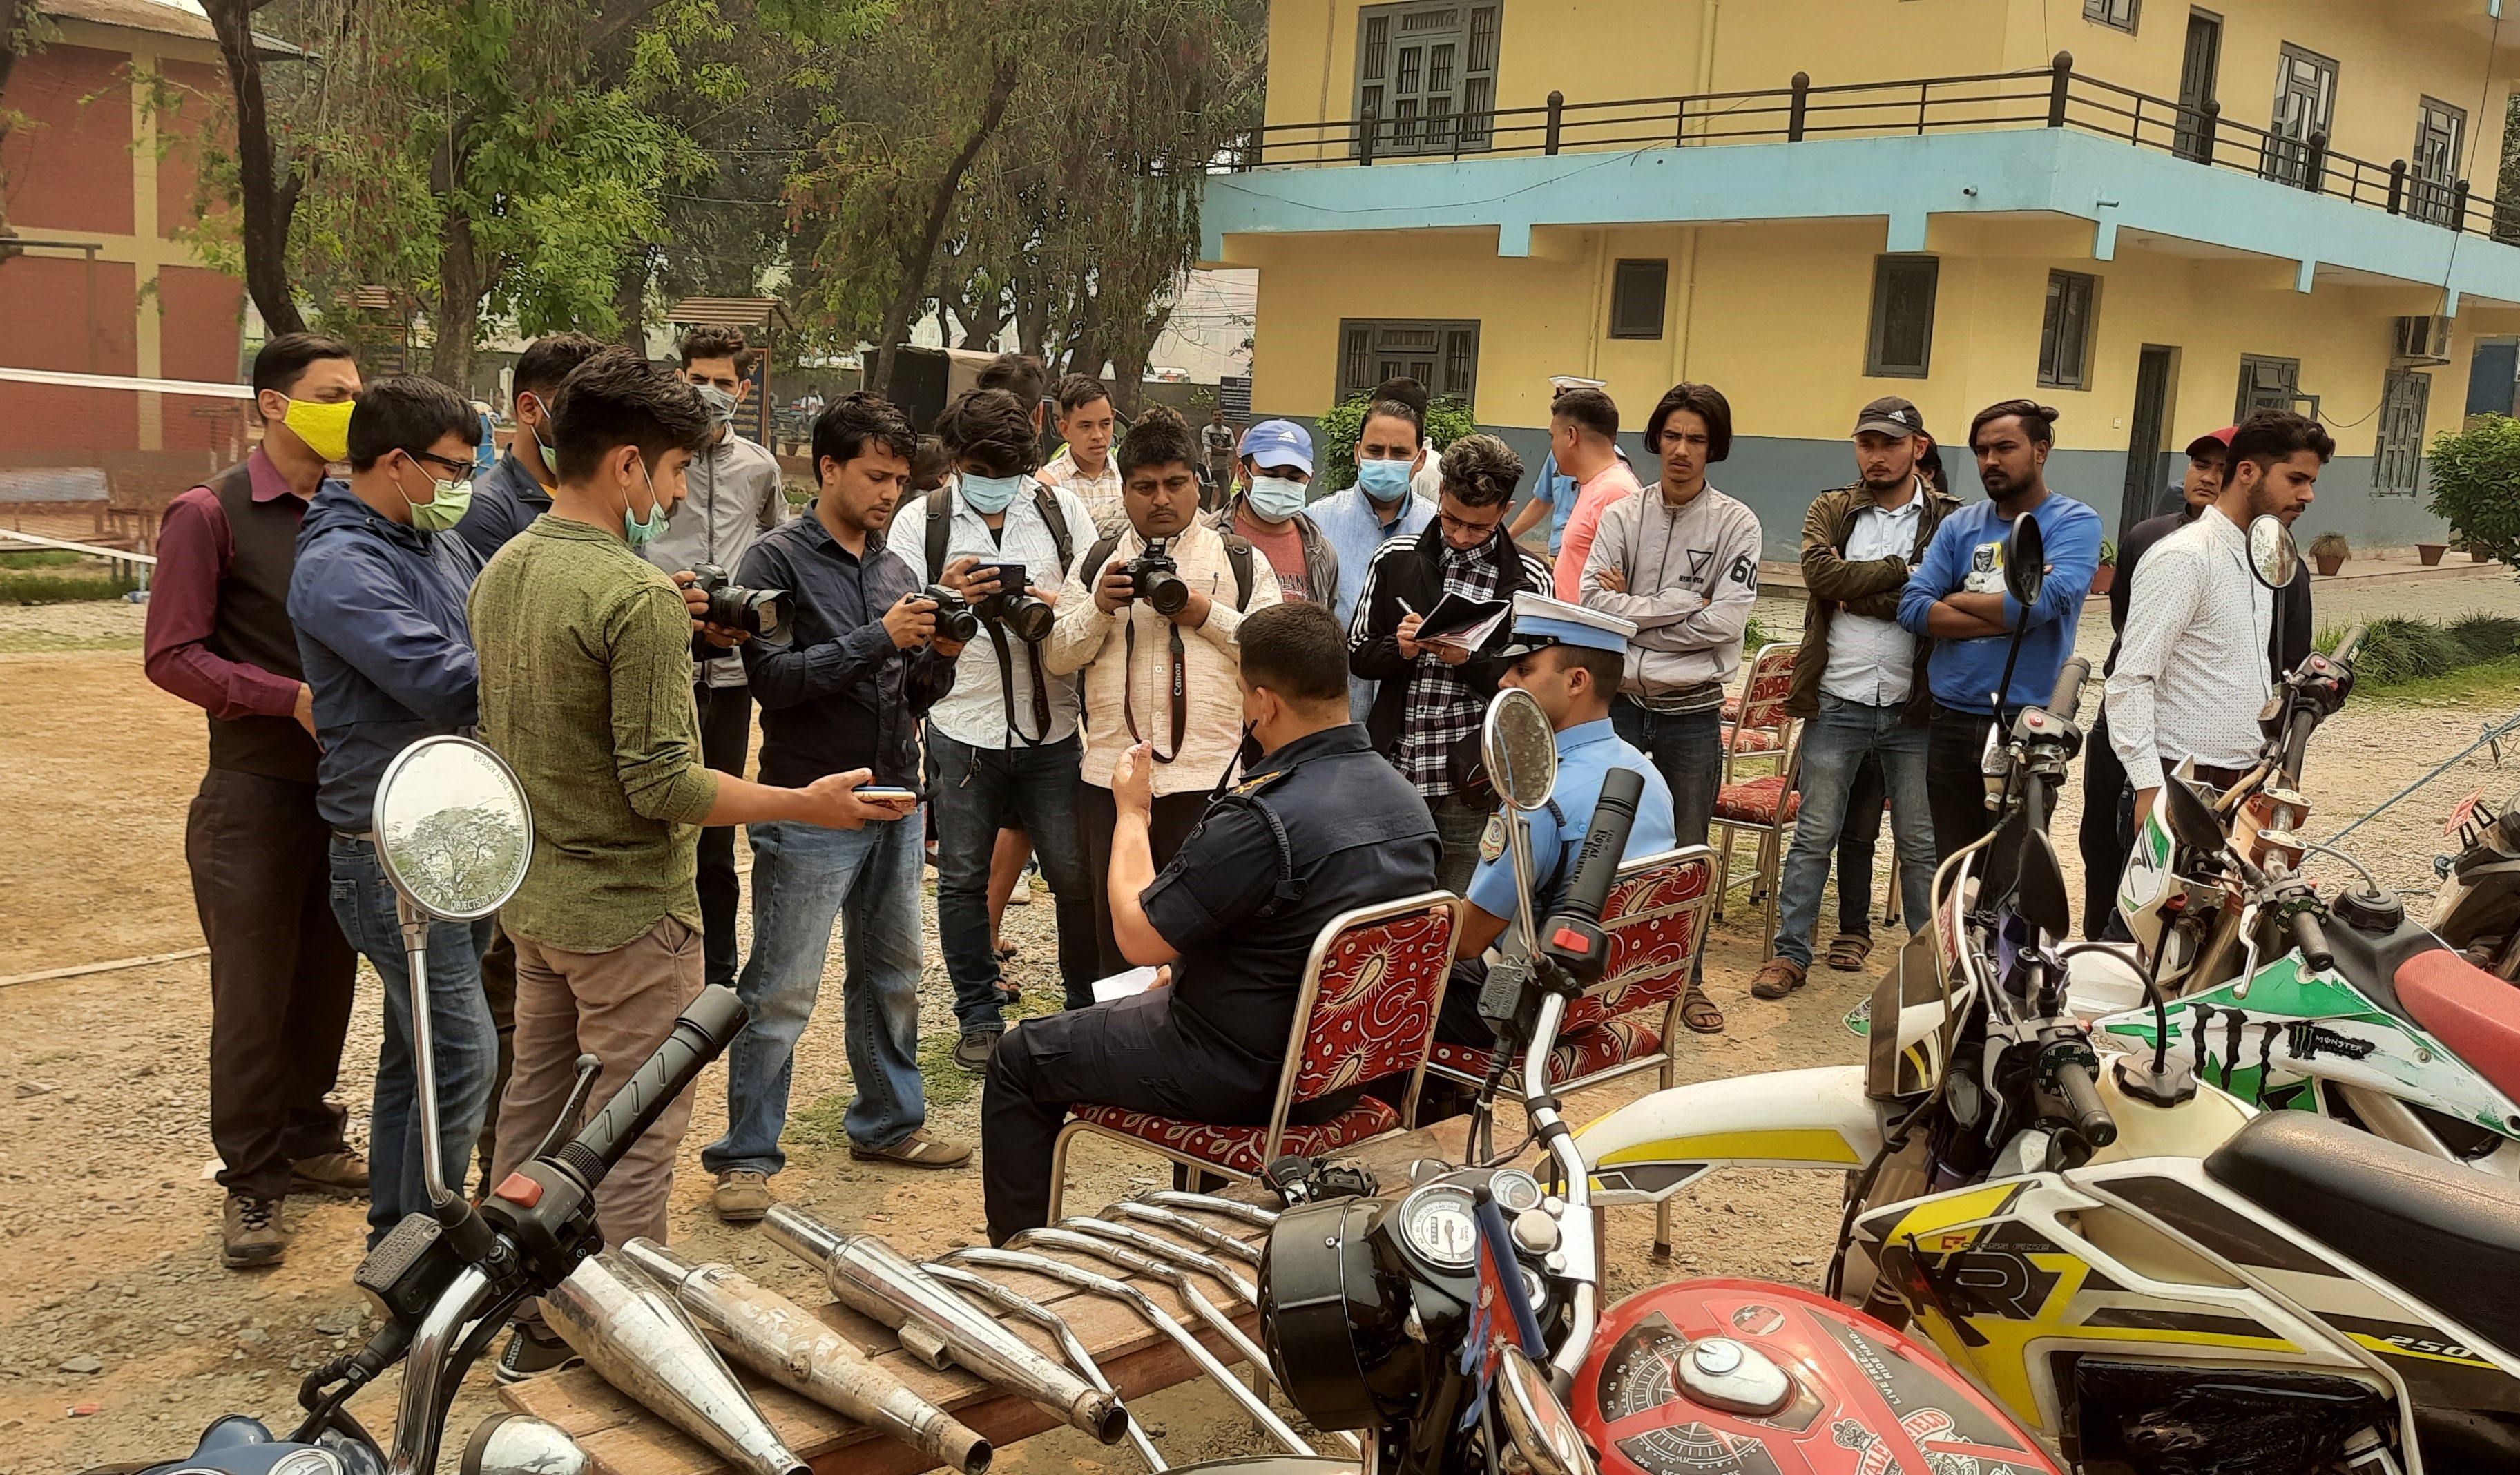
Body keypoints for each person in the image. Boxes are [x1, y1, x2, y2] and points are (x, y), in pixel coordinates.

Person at [468, 349, 892, 1377]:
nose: (673, 497)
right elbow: (664, 784)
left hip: (538, 905)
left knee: (536, 1107)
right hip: (628, 917)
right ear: (624, 466)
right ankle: (611, 1345)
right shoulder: (634, 596)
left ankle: (516, 1306)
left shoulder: (504, 569)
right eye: (668, 476)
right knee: (631, 1135)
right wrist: (808, 803)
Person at [981, 601, 1439, 1242]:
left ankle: (1013, 1260)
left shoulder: (1263, 817)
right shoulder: (1404, 800)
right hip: (1346, 1068)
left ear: (1264, 702)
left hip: (1243, 1074)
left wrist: (1132, 816)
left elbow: (1138, 937)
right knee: (1166, 991)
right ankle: (1206, 1221)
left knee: (1019, 1056)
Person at [699, 389, 966, 1222]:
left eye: (899, 479)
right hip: (810, 802)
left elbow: (911, 696)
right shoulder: (772, 562)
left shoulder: (894, 567)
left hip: (896, 793)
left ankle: (888, 1124)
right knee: (781, 987)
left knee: (892, 977)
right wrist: (881, 637)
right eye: (876, 476)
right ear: (827, 468)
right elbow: (773, 684)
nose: (890, 493)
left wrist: (941, 653)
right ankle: (745, 1157)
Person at [145, 331, 368, 1270]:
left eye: (359, 391)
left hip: (346, 790)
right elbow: (170, 653)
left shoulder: (355, 509)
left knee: (328, 977)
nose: (351, 406)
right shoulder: (211, 513)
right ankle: (251, 1182)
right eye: (333, 392)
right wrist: (287, 699)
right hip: (253, 791)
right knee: (252, 994)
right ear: (275, 404)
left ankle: (311, 1138)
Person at [287, 374, 491, 1249]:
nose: (462, 485)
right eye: (451, 468)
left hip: (461, 828)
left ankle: (398, 1244)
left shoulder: (431, 542)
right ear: (397, 461)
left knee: (418, 1054)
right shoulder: (339, 565)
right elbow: (448, 680)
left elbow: (488, 633)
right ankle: (429, 1251)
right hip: (391, 844)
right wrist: (564, 658)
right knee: (460, 1052)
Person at [889, 389, 1099, 1068]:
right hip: (961, 723)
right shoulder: (921, 523)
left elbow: (1094, 607)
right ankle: (978, 1017)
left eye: (1008, 467)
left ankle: (1086, 1011)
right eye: (982, 467)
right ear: (955, 460)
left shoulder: (1062, 513)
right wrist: (947, 594)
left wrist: (1049, 603)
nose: (995, 482)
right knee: (960, 879)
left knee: (1072, 878)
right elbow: (897, 625)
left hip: (1054, 728)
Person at [1045, 407, 1284, 976]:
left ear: (1198, 485)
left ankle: (1192, 1051)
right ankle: (1112, 1049)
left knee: (1205, 939)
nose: (1161, 500)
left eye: (1175, 484)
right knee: (1116, 939)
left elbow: (1278, 658)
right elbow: (1057, 657)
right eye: (1144, 487)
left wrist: (1203, 613)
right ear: (1123, 490)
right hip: (1110, 780)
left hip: (1209, 780)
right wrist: (1101, 607)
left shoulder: (1238, 561)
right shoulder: (1100, 560)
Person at [451, 331, 606, 1190]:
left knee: (558, 1009)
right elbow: (484, 662)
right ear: (533, 411)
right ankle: (500, 1173)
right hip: (510, 790)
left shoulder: (591, 508)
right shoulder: (486, 517)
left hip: (574, 794)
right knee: (506, 994)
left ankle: (552, 1170)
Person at [1753, 397, 1956, 1002]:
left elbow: (1942, 601)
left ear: (1917, 448)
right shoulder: (1832, 507)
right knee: (1814, 834)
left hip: (1912, 708)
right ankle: (1790, 954)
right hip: (1837, 700)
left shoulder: (1950, 520)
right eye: (1866, 444)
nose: (1875, 455)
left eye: (1889, 444)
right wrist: (1903, 569)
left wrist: (1863, 588)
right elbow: (1821, 579)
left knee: (1920, 843)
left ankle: (1928, 970)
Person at [1579, 383, 1762, 1009]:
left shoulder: (1737, 522)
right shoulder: (1621, 515)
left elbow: (1728, 621)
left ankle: (1689, 981)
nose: (1682, 450)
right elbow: (1592, 604)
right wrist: (1685, 603)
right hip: (1621, 709)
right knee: (1606, 838)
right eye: (1673, 435)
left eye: (1697, 439)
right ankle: (1600, 976)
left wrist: (1636, 612)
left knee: (1689, 849)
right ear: (1656, 438)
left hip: (1692, 715)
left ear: (1715, 447)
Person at [1432, 594, 1677, 1049]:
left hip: (1534, 1008)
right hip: (1611, 994)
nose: (1504, 680)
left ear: (1576, 681)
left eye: (1524, 670)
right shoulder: (1645, 773)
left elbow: (1467, 939)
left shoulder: (1538, 796)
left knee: (1362, 989)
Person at [639, 326, 787, 995]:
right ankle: (653, 968)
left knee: (717, 835)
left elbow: (779, 549)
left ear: (745, 390)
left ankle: (717, 975)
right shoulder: (650, 458)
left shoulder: (760, 468)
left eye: (724, 383)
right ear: (680, 378)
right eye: (699, 378)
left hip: (730, 675)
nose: (711, 392)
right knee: (654, 822)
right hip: (658, 660)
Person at [1897, 401, 2104, 863]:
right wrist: (2014, 611)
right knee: (1953, 866)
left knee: (2011, 870)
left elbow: (2045, 603)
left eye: (2004, 447)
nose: (1990, 460)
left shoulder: (2073, 523)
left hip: (2027, 726)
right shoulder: (1959, 526)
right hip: (1949, 717)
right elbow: (1911, 608)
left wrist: (1953, 598)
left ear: (2040, 451)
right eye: (1981, 450)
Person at [2108, 410, 2331, 831]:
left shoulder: (2263, 553)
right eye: (2296, 479)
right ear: (2247, 472)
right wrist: (2149, 789)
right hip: (2180, 782)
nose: (2307, 496)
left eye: (2311, 483)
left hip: (2243, 779)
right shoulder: (2185, 557)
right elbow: (2131, 679)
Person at [1349, 432, 1550, 893]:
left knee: (1456, 906)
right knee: (1386, 901)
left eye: (1477, 528)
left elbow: (1535, 688)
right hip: (1396, 766)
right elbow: (1357, 652)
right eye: (1450, 520)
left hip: (1473, 775)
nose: (1460, 536)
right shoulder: (1394, 558)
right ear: (1439, 494)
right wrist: (1399, 650)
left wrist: (1470, 659)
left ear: (1506, 511)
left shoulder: (1530, 579)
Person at [2079, 427, 2229, 938]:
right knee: (2100, 839)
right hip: (2123, 711)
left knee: (2170, 863)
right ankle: (2097, 945)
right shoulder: (2148, 537)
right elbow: (2128, 628)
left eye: (2220, 469)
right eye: (2198, 465)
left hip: (2185, 736)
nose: (2206, 478)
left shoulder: (2267, 558)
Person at [1309, 396, 1439, 722]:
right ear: (1357, 453)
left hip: (1410, 717)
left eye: (1399, 454)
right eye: (1375, 451)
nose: (1385, 461)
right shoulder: (1316, 523)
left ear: (1420, 459)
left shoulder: (1437, 528)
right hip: (1331, 707)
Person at [1211, 418, 1338, 608]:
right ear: (1243, 474)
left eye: (1294, 478)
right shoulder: (1210, 536)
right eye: (1270, 475)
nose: (1282, 484)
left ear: (1308, 481)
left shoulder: (1322, 553)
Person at [1506, 375, 1621, 561]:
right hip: (1559, 550)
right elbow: (1542, 501)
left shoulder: (1610, 466)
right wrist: (1506, 538)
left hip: (1586, 557)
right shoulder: (1558, 453)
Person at [1548, 387, 1644, 601]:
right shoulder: (1596, 486)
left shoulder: (1615, 492)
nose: (1553, 446)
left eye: (1553, 437)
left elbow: (1634, 581)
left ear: (1571, 436)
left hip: (1587, 632)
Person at [1039, 372, 1128, 537]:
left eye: (1105, 424)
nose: (1098, 435)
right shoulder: (1049, 484)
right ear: (1065, 429)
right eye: (1086, 426)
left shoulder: (1128, 478)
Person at [1202, 407, 1238, 494]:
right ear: (1211, 417)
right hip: (1209, 467)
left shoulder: (1228, 431)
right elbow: (1207, 447)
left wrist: (1219, 449)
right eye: (1215, 415)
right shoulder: (1207, 430)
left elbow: (1233, 448)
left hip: (1222, 467)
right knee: (1207, 494)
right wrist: (1209, 463)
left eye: (1219, 415)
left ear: (1223, 417)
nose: (1217, 417)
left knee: (1226, 493)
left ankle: (1220, 508)